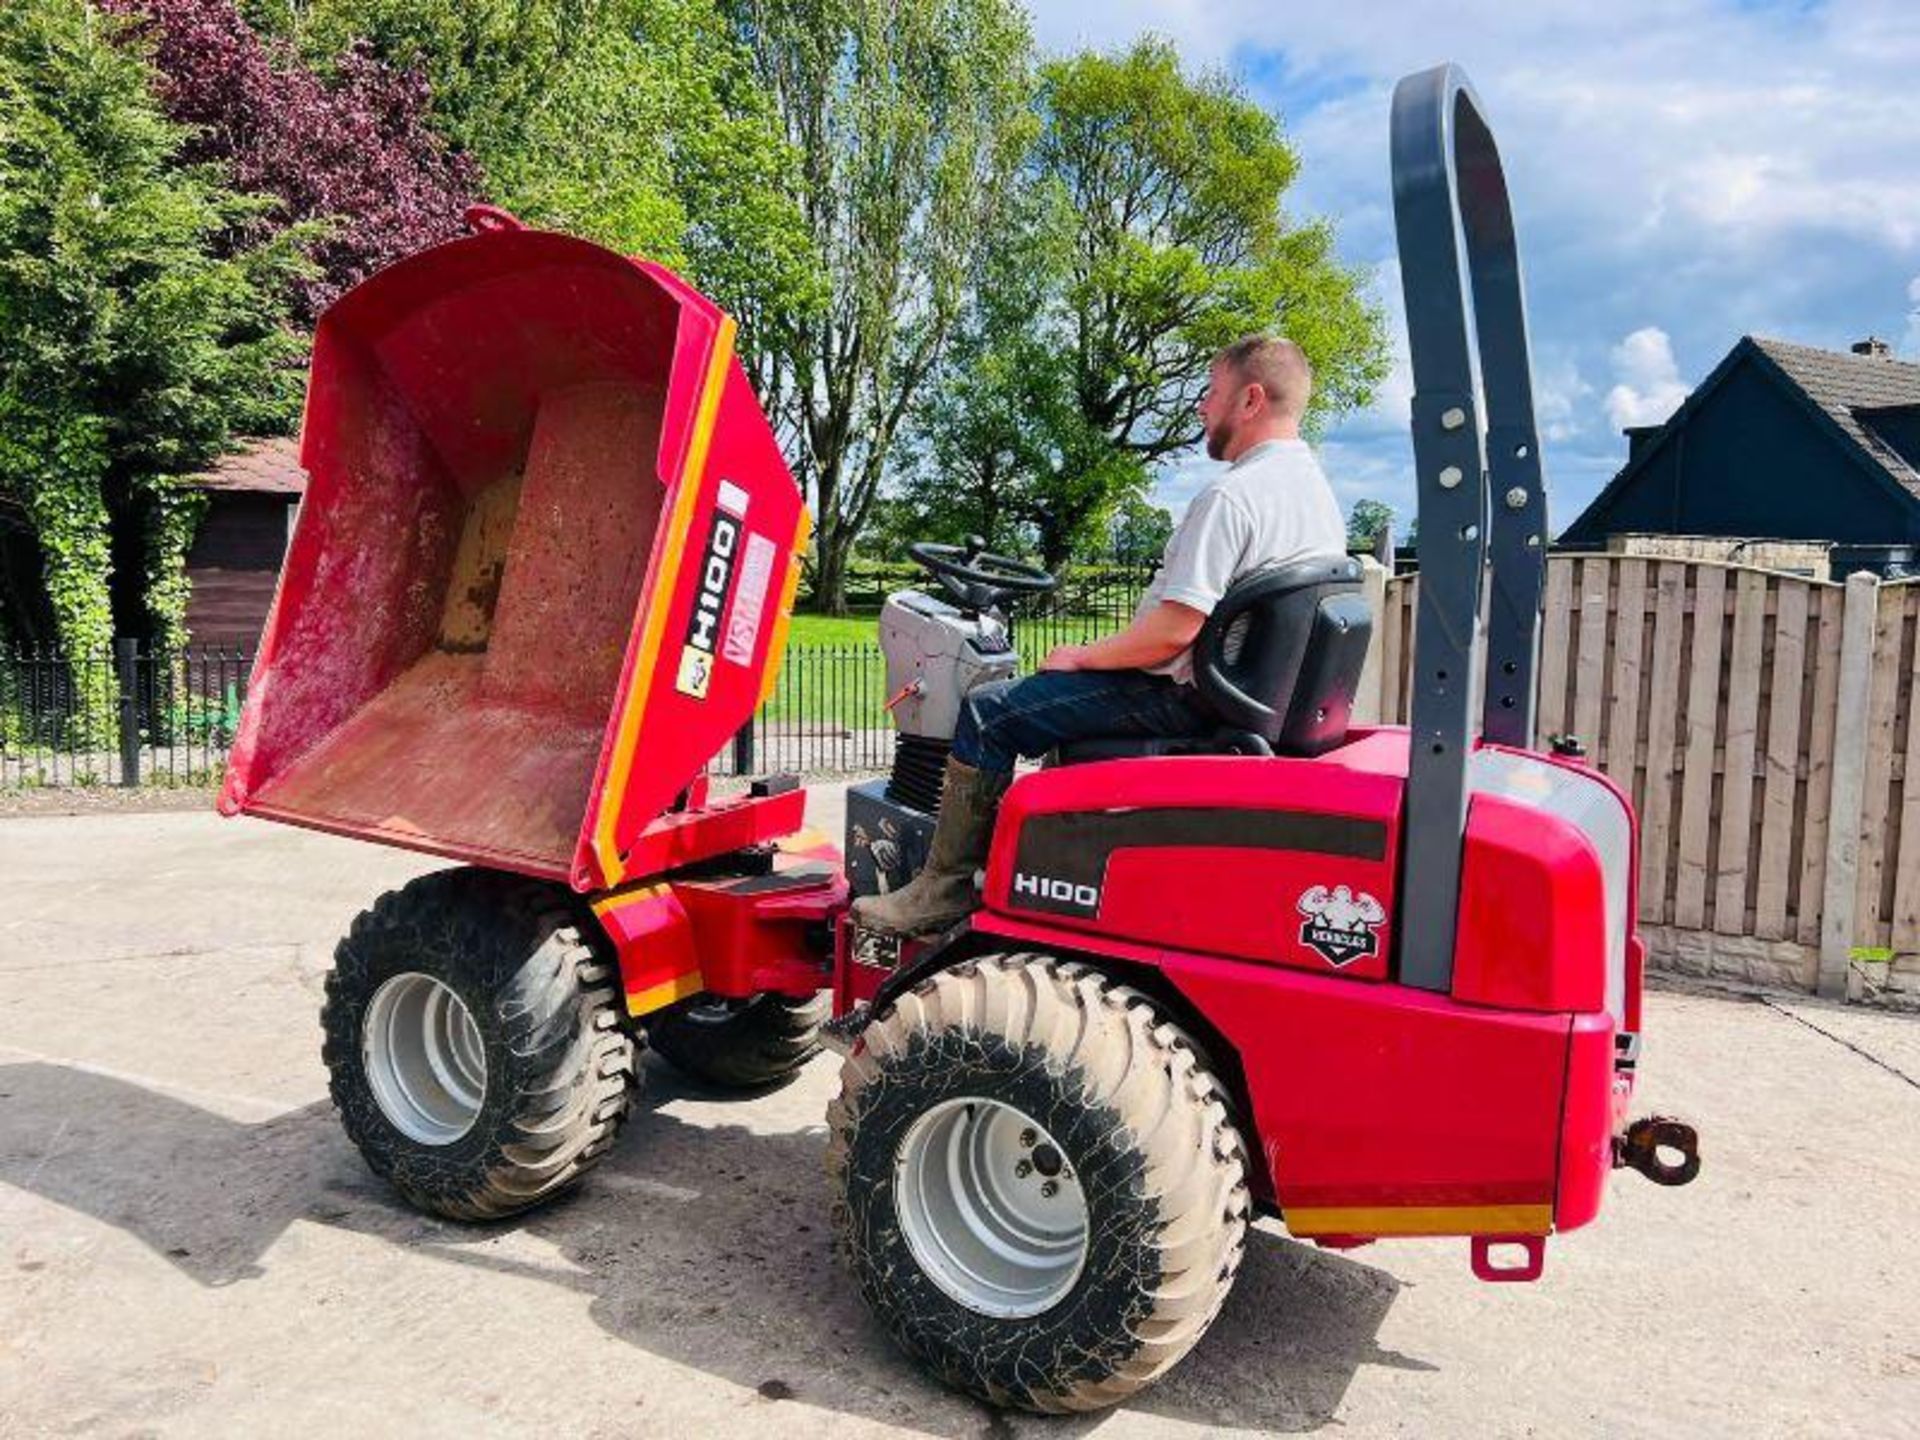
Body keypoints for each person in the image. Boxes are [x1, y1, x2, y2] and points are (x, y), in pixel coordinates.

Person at [852, 333, 1349, 936]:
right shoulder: (1316, 496)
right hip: (1242, 697)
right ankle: (1010, 863)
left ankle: (942, 889)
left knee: (988, 714)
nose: (1200, 407)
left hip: (1179, 699)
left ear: (1250, 400)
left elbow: (1172, 632)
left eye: (1210, 393)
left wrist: (1081, 655)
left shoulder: (1232, 497)